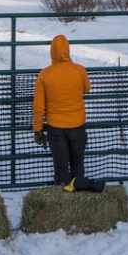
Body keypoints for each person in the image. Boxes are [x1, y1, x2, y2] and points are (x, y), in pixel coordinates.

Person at [32, 34, 104, 192]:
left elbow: (38, 107)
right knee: (78, 162)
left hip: (55, 128)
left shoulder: (45, 74)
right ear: (68, 50)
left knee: (60, 165)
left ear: (52, 52)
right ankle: (78, 191)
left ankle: (62, 194)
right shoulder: (79, 70)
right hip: (78, 125)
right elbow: (87, 89)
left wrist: (37, 130)